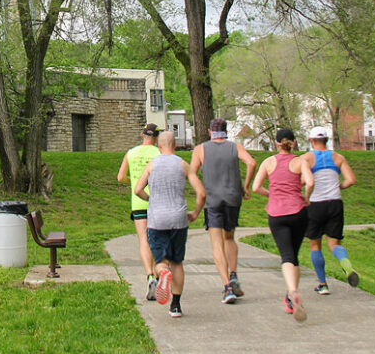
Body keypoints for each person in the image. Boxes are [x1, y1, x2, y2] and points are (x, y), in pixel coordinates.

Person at [134, 131, 206, 318]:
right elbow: (202, 193)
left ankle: (162, 274)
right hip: (178, 219)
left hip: (157, 219)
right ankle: (175, 306)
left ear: (159, 146)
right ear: (174, 145)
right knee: (177, 262)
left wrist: (150, 199)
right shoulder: (183, 165)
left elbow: (137, 189)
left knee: (160, 262)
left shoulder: (152, 165)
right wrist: (196, 212)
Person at [189, 117, 257, 304]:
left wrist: (199, 189)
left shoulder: (200, 149)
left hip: (212, 200)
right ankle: (234, 275)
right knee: (229, 237)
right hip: (233, 198)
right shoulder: (235, 147)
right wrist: (246, 186)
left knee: (216, 243)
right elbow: (251, 163)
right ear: (226, 132)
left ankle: (227, 287)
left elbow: (191, 172)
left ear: (210, 132)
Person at [252, 128, 314, 322]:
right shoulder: (299, 161)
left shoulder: (269, 162)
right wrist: (306, 197)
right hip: (298, 212)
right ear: (293, 143)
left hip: (276, 214)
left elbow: (255, 187)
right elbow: (310, 182)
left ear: (277, 143)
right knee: (293, 255)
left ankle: (292, 292)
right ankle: (291, 294)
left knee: (286, 256)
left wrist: (272, 195)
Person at [298, 126, 358, 294]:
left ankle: (323, 284)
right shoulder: (338, 158)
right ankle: (345, 263)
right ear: (327, 140)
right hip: (335, 203)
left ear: (311, 140)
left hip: (315, 204)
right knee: (334, 243)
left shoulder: (307, 158)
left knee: (315, 245)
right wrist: (338, 186)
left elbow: (302, 181)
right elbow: (351, 180)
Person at [118, 123, 161, 300]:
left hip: (138, 202)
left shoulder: (131, 153)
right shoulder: (159, 154)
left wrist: (134, 179)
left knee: (143, 239)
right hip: (157, 202)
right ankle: (159, 276)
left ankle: (149, 276)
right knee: (157, 239)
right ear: (156, 138)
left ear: (142, 134)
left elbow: (120, 177)